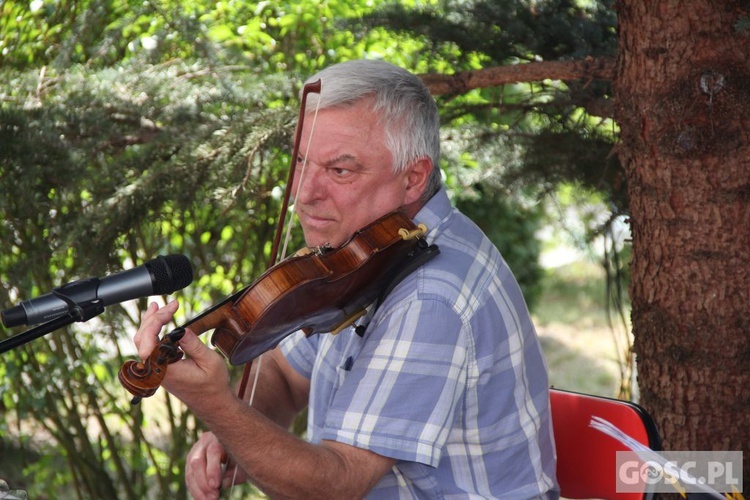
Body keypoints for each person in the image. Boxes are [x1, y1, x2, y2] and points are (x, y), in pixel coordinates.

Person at [134, 59, 558, 499]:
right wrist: (236, 436)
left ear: (413, 178)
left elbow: (335, 486)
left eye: (340, 171)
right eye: (301, 161)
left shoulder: (432, 298)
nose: (304, 194)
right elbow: (283, 372)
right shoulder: (361, 256)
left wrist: (217, 406)